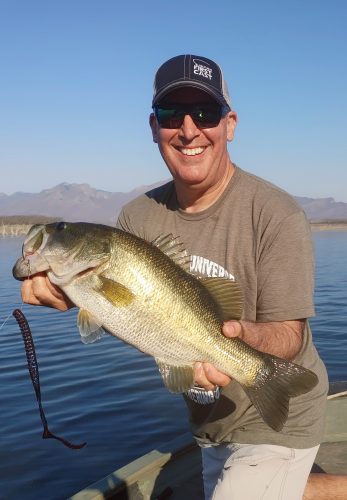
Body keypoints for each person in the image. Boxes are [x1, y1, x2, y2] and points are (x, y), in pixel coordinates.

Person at [21, 55, 345, 500]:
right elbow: (134, 317)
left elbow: (291, 333)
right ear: (154, 127)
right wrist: (74, 296)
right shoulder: (136, 218)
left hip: (282, 415)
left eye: (205, 113)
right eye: (173, 114)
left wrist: (238, 339)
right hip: (208, 418)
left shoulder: (276, 213)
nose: (189, 129)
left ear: (229, 124)